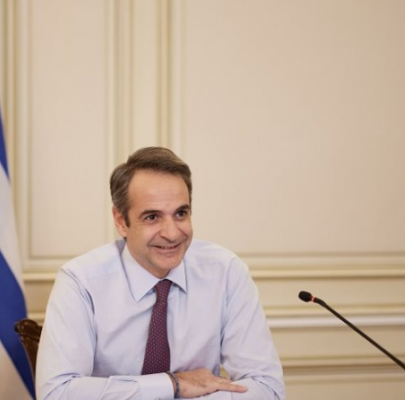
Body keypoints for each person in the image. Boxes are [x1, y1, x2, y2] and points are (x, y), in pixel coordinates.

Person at [36, 147, 285, 400]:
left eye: (181, 213)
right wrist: (172, 384)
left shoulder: (226, 272)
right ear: (121, 221)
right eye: (152, 217)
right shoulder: (81, 281)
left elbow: (267, 387)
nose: (172, 233)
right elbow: (56, 393)